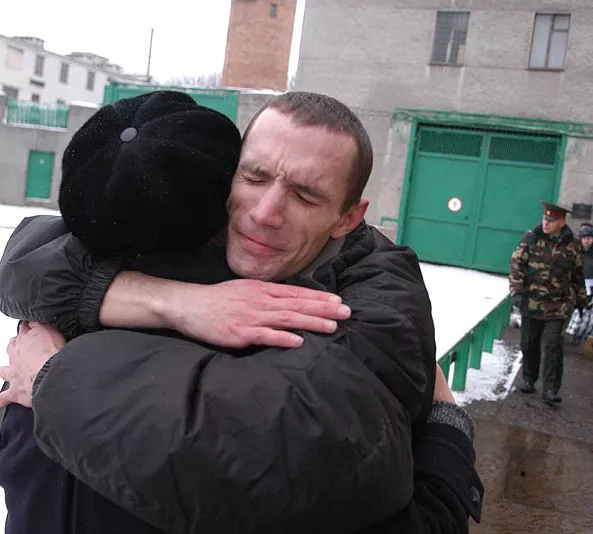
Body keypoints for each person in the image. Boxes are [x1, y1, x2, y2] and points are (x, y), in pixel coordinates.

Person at [0, 91, 482, 532]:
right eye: (254, 177)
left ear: (348, 217)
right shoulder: (157, 229)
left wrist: (47, 375)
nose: (265, 212)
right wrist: (170, 301)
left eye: (305, 195)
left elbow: (272, 457)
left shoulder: (368, 304)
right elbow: (28, 259)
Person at [510, 201, 587, 404]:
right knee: (529, 342)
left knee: (553, 344)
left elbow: (577, 275)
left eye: (551, 220)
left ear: (561, 222)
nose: (546, 223)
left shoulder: (573, 245)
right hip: (531, 302)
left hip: (558, 305)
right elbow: (516, 263)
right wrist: (516, 290)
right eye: (545, 218)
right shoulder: (531, 238)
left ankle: (551, 389)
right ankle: (529, 378)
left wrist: (581, 300)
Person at [579, 224, 593, 296]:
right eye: (584, 238)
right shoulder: (576, 251)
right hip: (580, 284)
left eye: (588, 238)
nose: (586, 241)